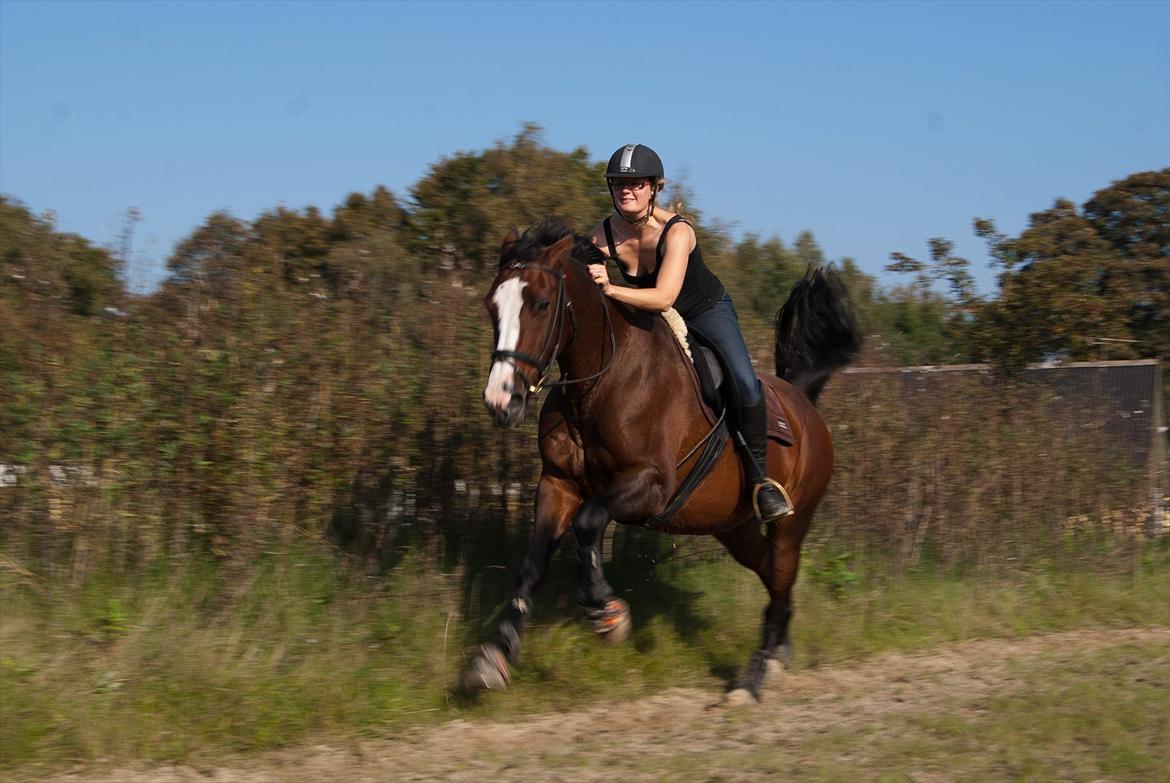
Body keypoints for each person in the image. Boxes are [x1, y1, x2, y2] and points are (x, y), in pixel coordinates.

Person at [587, 143, 793, 523]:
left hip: (704, 312)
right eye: (618, 183)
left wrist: (610, 289)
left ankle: (761, 482)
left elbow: (665, 296)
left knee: (746, 384)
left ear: (655, 188)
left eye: (637, 183)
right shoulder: (602, 235)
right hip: (651, 316)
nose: (626, 190)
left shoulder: (678, 232)